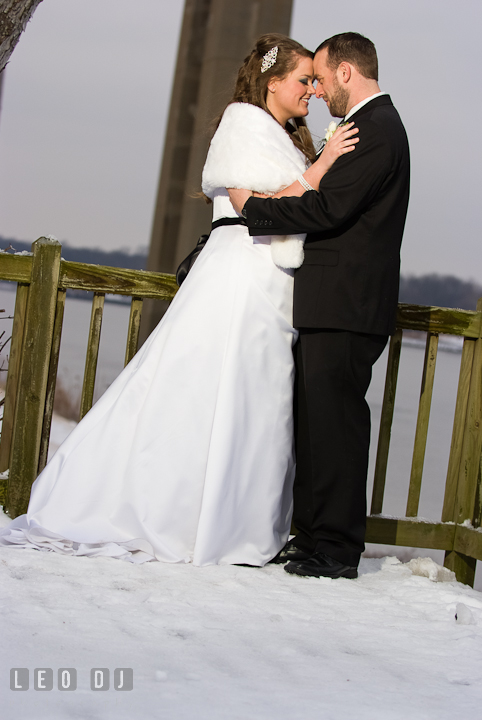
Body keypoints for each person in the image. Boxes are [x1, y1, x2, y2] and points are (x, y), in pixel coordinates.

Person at [0, 35, 357, 566]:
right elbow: (256, 207)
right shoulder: (242, 123)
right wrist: (324, 162)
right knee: (213, 391)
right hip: (240, 276)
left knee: (257, 401)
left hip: (271, 284)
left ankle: (243, 523)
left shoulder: (281, 135)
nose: (311, 90)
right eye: (304, 80)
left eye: (313, 80)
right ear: (272, 82)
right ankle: (190, 517)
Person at [230, 32, 410, 579]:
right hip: (328, 303)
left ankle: (335, 548)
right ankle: (309, 536)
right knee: (314, 426)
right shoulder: (365, 127)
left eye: (324, 77)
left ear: (347, 73)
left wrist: (256, 211)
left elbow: (329, 210)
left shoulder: (378, 130)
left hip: (348, 306)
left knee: (337, 428)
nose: (320, 88)